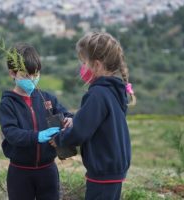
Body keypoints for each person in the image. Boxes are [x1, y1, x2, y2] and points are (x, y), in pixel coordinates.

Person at [50, 32, 136, 200]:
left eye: (84, 62)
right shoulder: (114, 91)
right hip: (114, 170)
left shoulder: (97, 94)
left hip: (103, 171)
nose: (82, 68)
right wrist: (75, 120)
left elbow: (80, 133)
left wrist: (59, 139)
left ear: (96, 65)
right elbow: (96, 122)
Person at [0, 43, 73, 200]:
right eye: (26, 75)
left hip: (48, 169)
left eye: (36, 74)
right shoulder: (7, 104)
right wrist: (37, 136)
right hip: (20, 171)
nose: (32, 79)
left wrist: (69, 120)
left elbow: (66, 114)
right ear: (12, 73)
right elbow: (11, 133)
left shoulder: (47, 98)